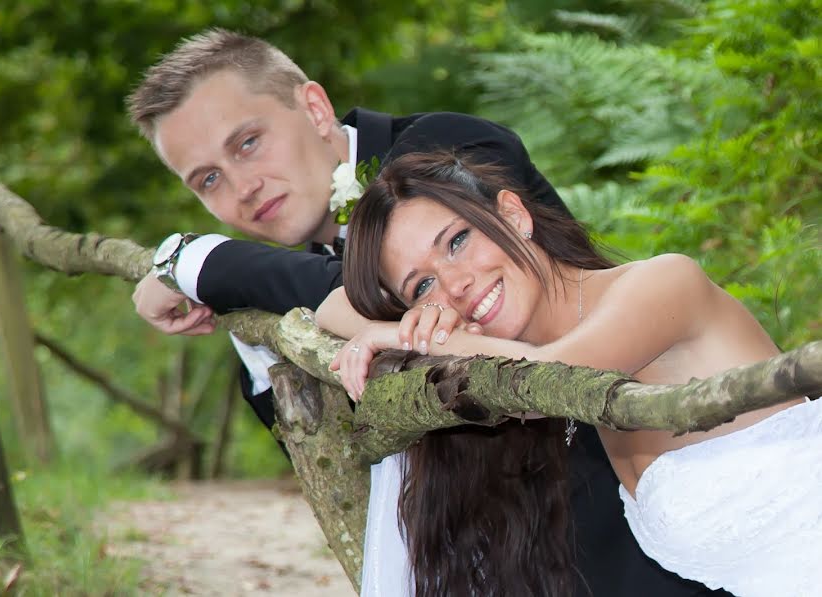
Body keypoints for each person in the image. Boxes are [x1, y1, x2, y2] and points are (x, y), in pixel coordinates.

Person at [127, 28, 730, 596]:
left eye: (248, 143)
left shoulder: (450, 147)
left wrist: (198, 261)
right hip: (499, 546)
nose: (242, 186)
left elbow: (353, 291)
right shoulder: (299, 276)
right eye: (207, 179)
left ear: (314, 108)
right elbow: (333, 461)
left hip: (621, 513)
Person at [319, 151, 822, 597]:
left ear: (514, 215)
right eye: (423, 285)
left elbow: (551, 380)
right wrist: (392, 325)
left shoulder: (663, 283)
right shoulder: (547, 344)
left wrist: (408, 337)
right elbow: (330, 307)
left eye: (457, 241)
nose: (455, 284)